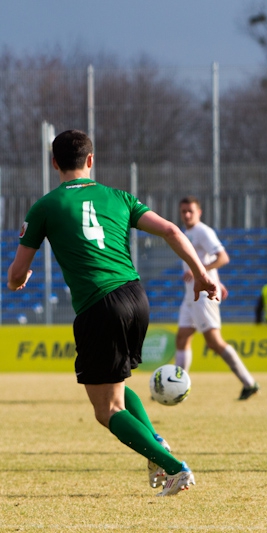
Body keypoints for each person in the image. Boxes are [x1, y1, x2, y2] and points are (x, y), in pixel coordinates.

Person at [6, 129, 217, 496]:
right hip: (136, 297)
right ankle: (156, 443)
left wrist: (19, 279)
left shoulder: (45, 206)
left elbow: (16, 273)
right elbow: (170, 230)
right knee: (117, 386)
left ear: (54, 163)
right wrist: (200, 273)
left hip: (99, 306)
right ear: (90, 160)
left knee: (106, 410)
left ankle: (174, 468)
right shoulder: (120, 197)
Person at [173, 196, 260, 401]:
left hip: (204, 295)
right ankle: (177, 386)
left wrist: (201, 273)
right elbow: (207, 259)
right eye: (183, 211)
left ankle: (249, 383)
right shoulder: (187, 232)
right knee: (182, 338)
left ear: (199, 212)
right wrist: (216, 280)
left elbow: (223, 257)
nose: (187, 215)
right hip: (191, 295)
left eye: (190, 211)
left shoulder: (203, 231)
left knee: (214, 342)